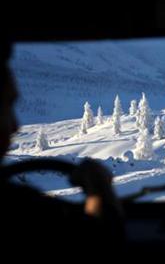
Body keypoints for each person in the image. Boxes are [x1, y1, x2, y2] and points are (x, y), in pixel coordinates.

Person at [0, 41, 125, 254]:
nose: (16, 126)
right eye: (5, 107)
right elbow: (101, 242)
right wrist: (100, 191)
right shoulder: (17, 207)